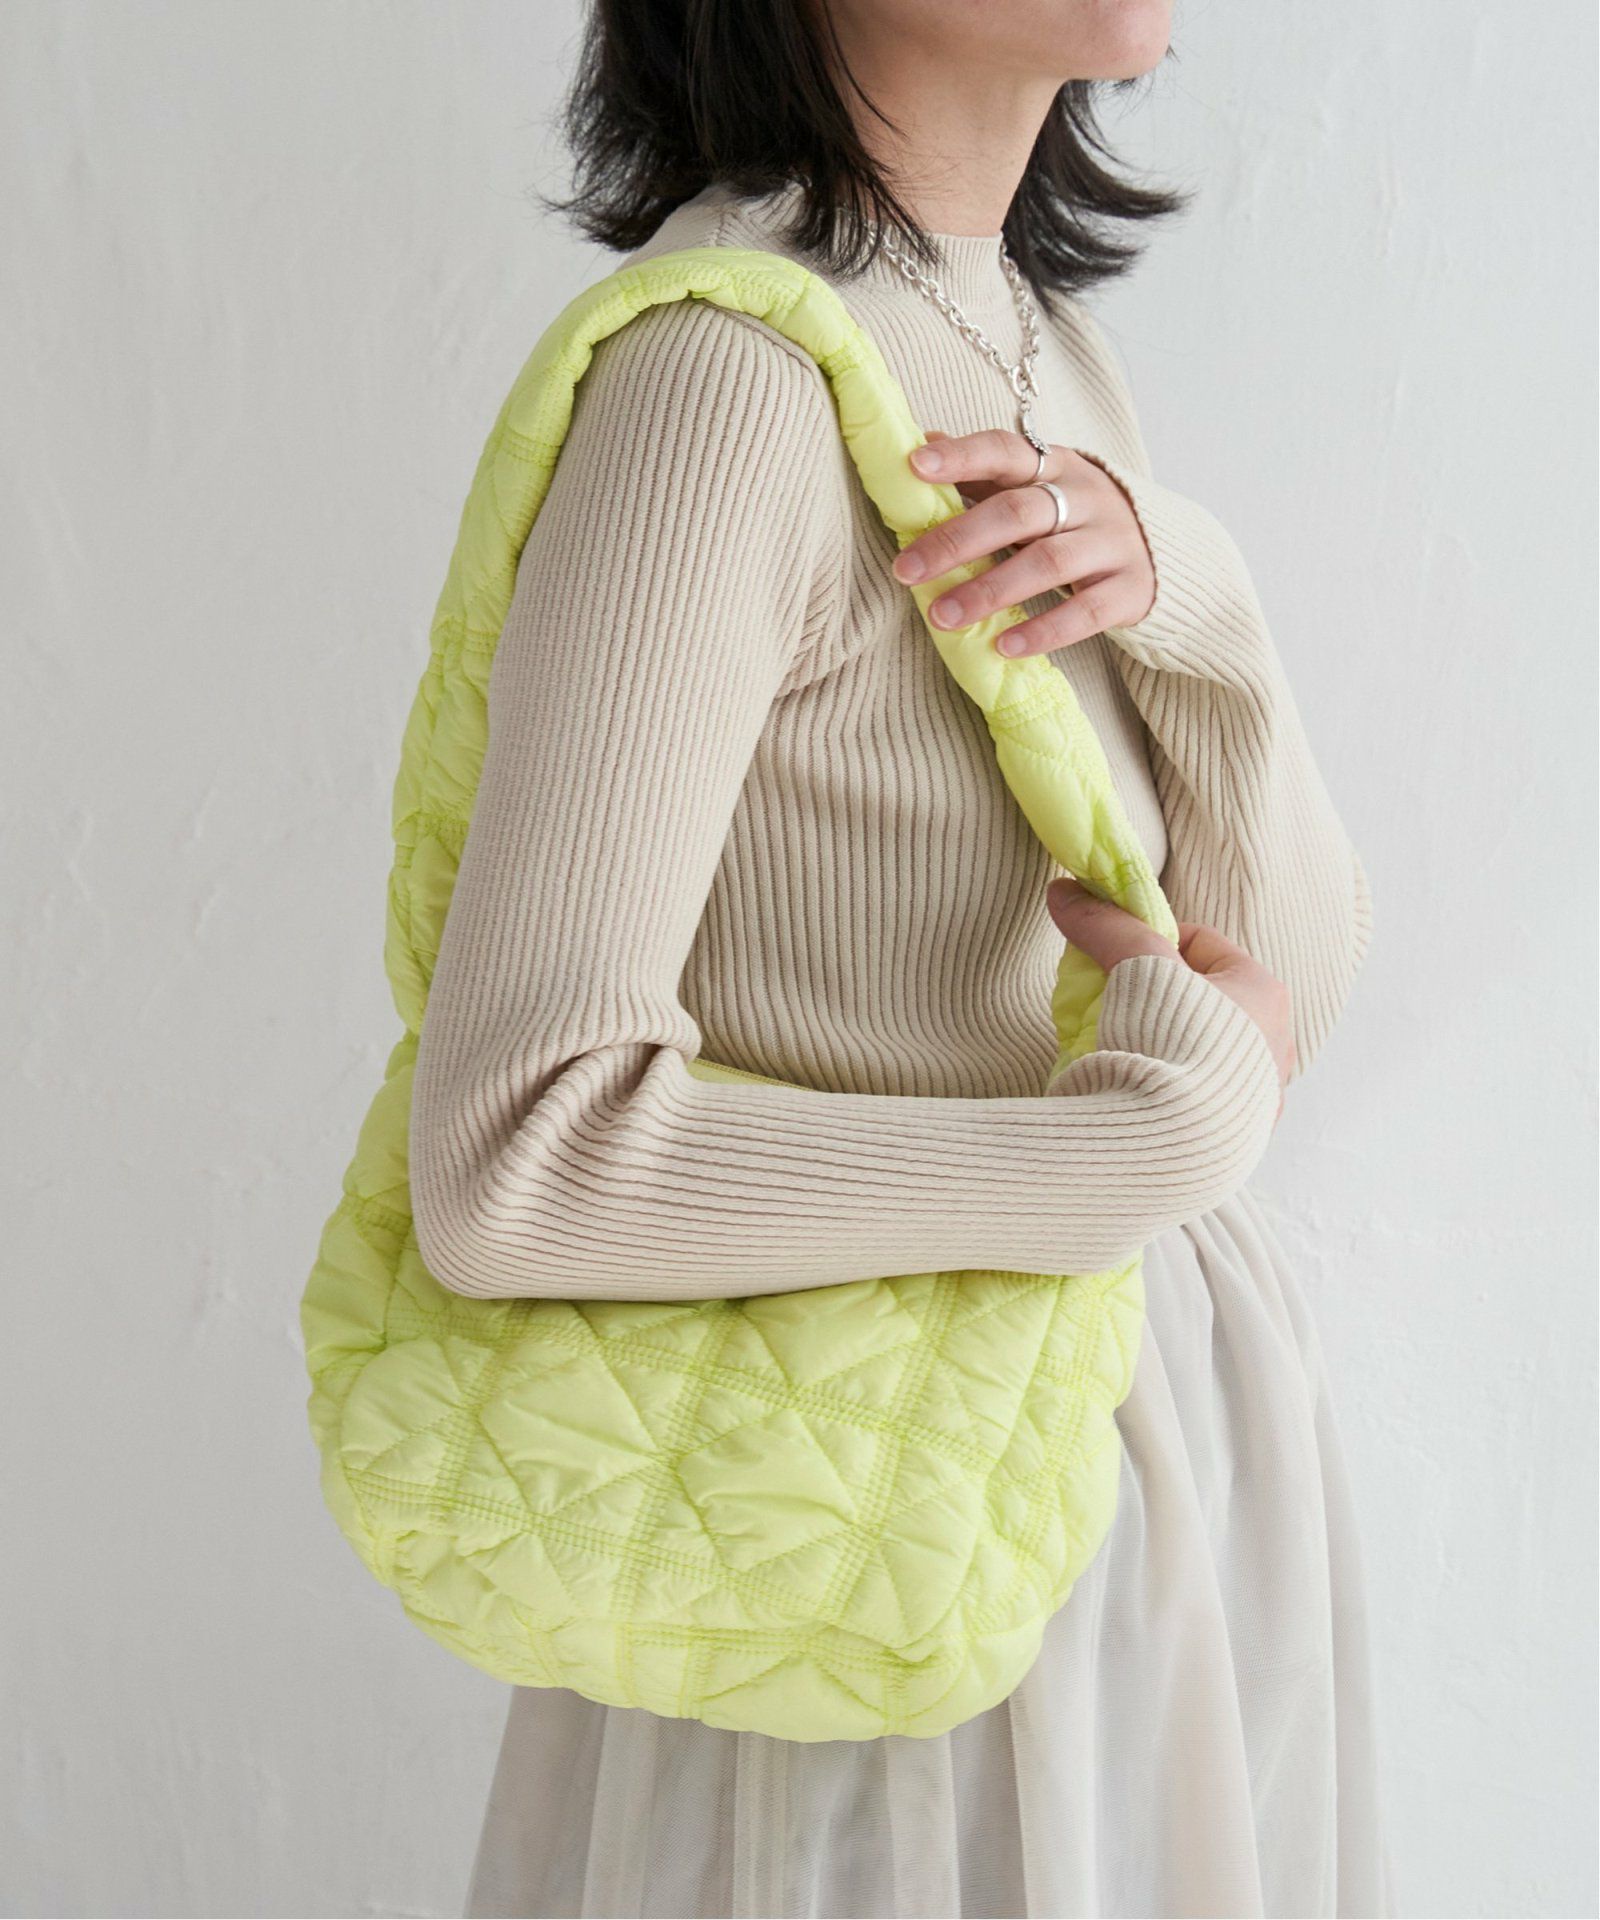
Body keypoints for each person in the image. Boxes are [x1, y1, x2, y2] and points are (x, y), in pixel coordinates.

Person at [407, 1, 1391, 1912]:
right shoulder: (726, 382)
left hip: (1144, 1535)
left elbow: (1276, 986)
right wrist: (1137, 1151)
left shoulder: (1041, 342)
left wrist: (1198, 597)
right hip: (885, 1580)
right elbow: (513, 1161)